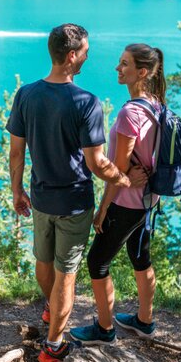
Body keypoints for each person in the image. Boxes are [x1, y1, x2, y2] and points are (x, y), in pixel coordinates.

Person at [7, 24, 147, 362]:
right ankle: (53, 345)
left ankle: (50, 309)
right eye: (84, 51)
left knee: (44, 266)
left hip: (40, 199)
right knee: (65, 276)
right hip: (73, 204)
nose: (88, 56)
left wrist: (17, 190)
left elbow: (16, 152)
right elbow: (97, 163)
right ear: (71, 56)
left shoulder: (26, 94)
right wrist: (125, 180)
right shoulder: (86, 102)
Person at [70, 43, 165, 345]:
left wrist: (103, 209)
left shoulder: (129, 114)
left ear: (143, 72)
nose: (117, 68)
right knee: (141, 258)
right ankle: (145, 321)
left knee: (97, 261)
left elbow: (117, 170)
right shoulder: (157, 105)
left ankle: (105, 329)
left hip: (126, 203)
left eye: (125, 64)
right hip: (149, 201)